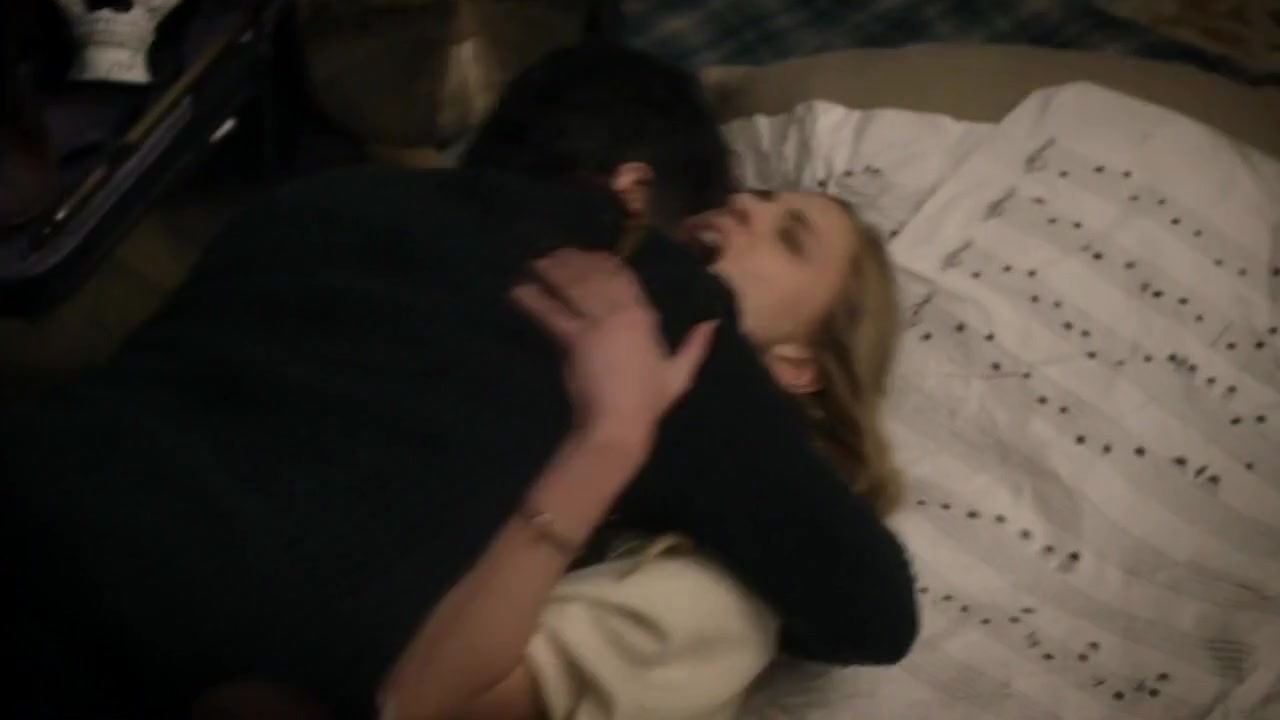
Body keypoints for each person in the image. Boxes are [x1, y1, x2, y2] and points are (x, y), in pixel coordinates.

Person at [0, 46, 914, 720]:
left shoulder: (325, 197)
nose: (745, 207)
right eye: (741, 199)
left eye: (788, 234)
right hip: (167, 656)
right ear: (634, 194)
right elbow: (870, 614)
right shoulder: (653, 309)